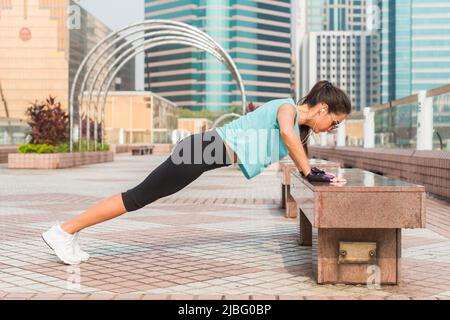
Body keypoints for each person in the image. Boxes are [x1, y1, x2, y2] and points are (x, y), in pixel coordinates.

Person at [41, 80, 351, 265]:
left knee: (137, 197)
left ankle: (68, 233)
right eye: (335, 121)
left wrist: (318, 174)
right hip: (199, 150)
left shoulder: (298, 126)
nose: (333, 128)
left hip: (202, 153)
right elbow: (287, 136)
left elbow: (300, 155)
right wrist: (310, 171)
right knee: (136, 198)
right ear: (322, 108)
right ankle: (64, 231)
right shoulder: (288, 109)